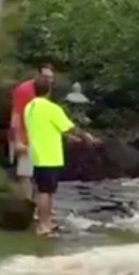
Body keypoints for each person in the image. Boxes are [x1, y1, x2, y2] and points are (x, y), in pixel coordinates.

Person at [23, 75, 96, 237]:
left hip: (36, 153)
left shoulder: (30, 107)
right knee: (45, 191)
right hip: (50, 155)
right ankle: (43, 225)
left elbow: (48, 128)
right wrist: (86, 137)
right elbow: (70, 127)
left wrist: (69, 138)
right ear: (49, 90)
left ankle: (47, 221)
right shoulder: (52, 108)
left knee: (43, 190)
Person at [9, 62, 55, 201]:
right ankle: (27, 207)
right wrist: (17, 141)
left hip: (39, 137)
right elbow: (16, 115)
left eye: (50, 77)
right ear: (37, 75)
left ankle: (38, 208)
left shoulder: (46, 90)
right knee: (26, 175)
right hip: (24, 136)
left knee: (40, 175)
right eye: (44, 77)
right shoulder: (24, 90)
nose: (48, 80)